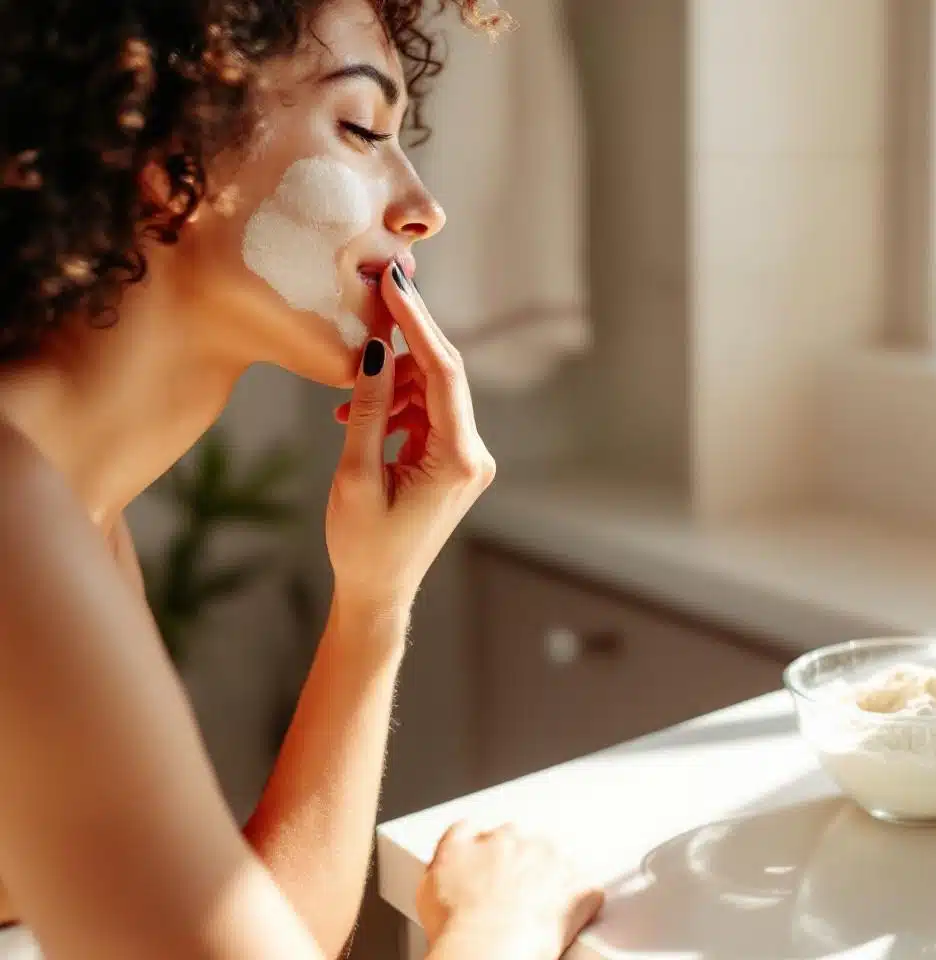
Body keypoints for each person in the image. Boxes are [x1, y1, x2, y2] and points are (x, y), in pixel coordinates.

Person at [0, 1, 603, 957]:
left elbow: (256, 930)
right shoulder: (12, 522)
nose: (424, 208)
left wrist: (374, 599)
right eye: (361, 129)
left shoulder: (73, 507)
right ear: (162, 162)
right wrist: (503, 924)